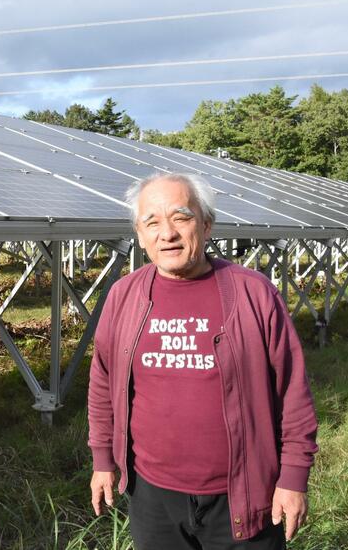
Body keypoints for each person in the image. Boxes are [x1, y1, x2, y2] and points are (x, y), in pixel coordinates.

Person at [87, 172, 318, 549]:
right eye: (152, 222)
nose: (168, 233)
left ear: (206, 225)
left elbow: (292, 390)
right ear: (140, 235)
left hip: (242, 494)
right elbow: (102, 382)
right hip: (153, 496)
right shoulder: (123, 297)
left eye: (181, 217)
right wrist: (102, 459)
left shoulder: (253, 293)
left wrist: (293, 478)